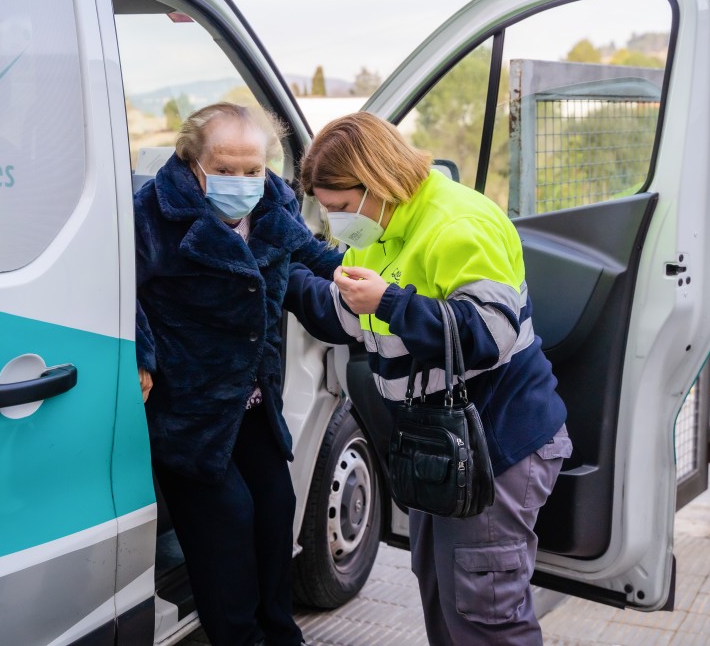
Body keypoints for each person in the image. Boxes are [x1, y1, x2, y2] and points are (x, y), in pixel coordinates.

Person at [284, 111, 572, 645]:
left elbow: (488, 334)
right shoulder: (386, 228)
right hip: (448, 450)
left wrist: (391, 302)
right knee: (445, 598)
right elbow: (345, 313)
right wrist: (276, 270)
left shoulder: (459, 225)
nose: (337, 224)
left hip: (499, 445)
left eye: (342, 208)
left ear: (375, 183)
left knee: (486, 612)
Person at [133, 102, 340, 646]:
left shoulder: (275, 203)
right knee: (228, 523)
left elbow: (313, 255)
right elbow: (117, 283)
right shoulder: (151, 213)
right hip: (191, 410)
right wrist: (141, 350)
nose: (242, 181)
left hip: (254, 401)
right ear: (192, 160)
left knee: (276, 513)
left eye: (252, 169)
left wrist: (369, 285)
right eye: (224, 169)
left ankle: (280, 633)